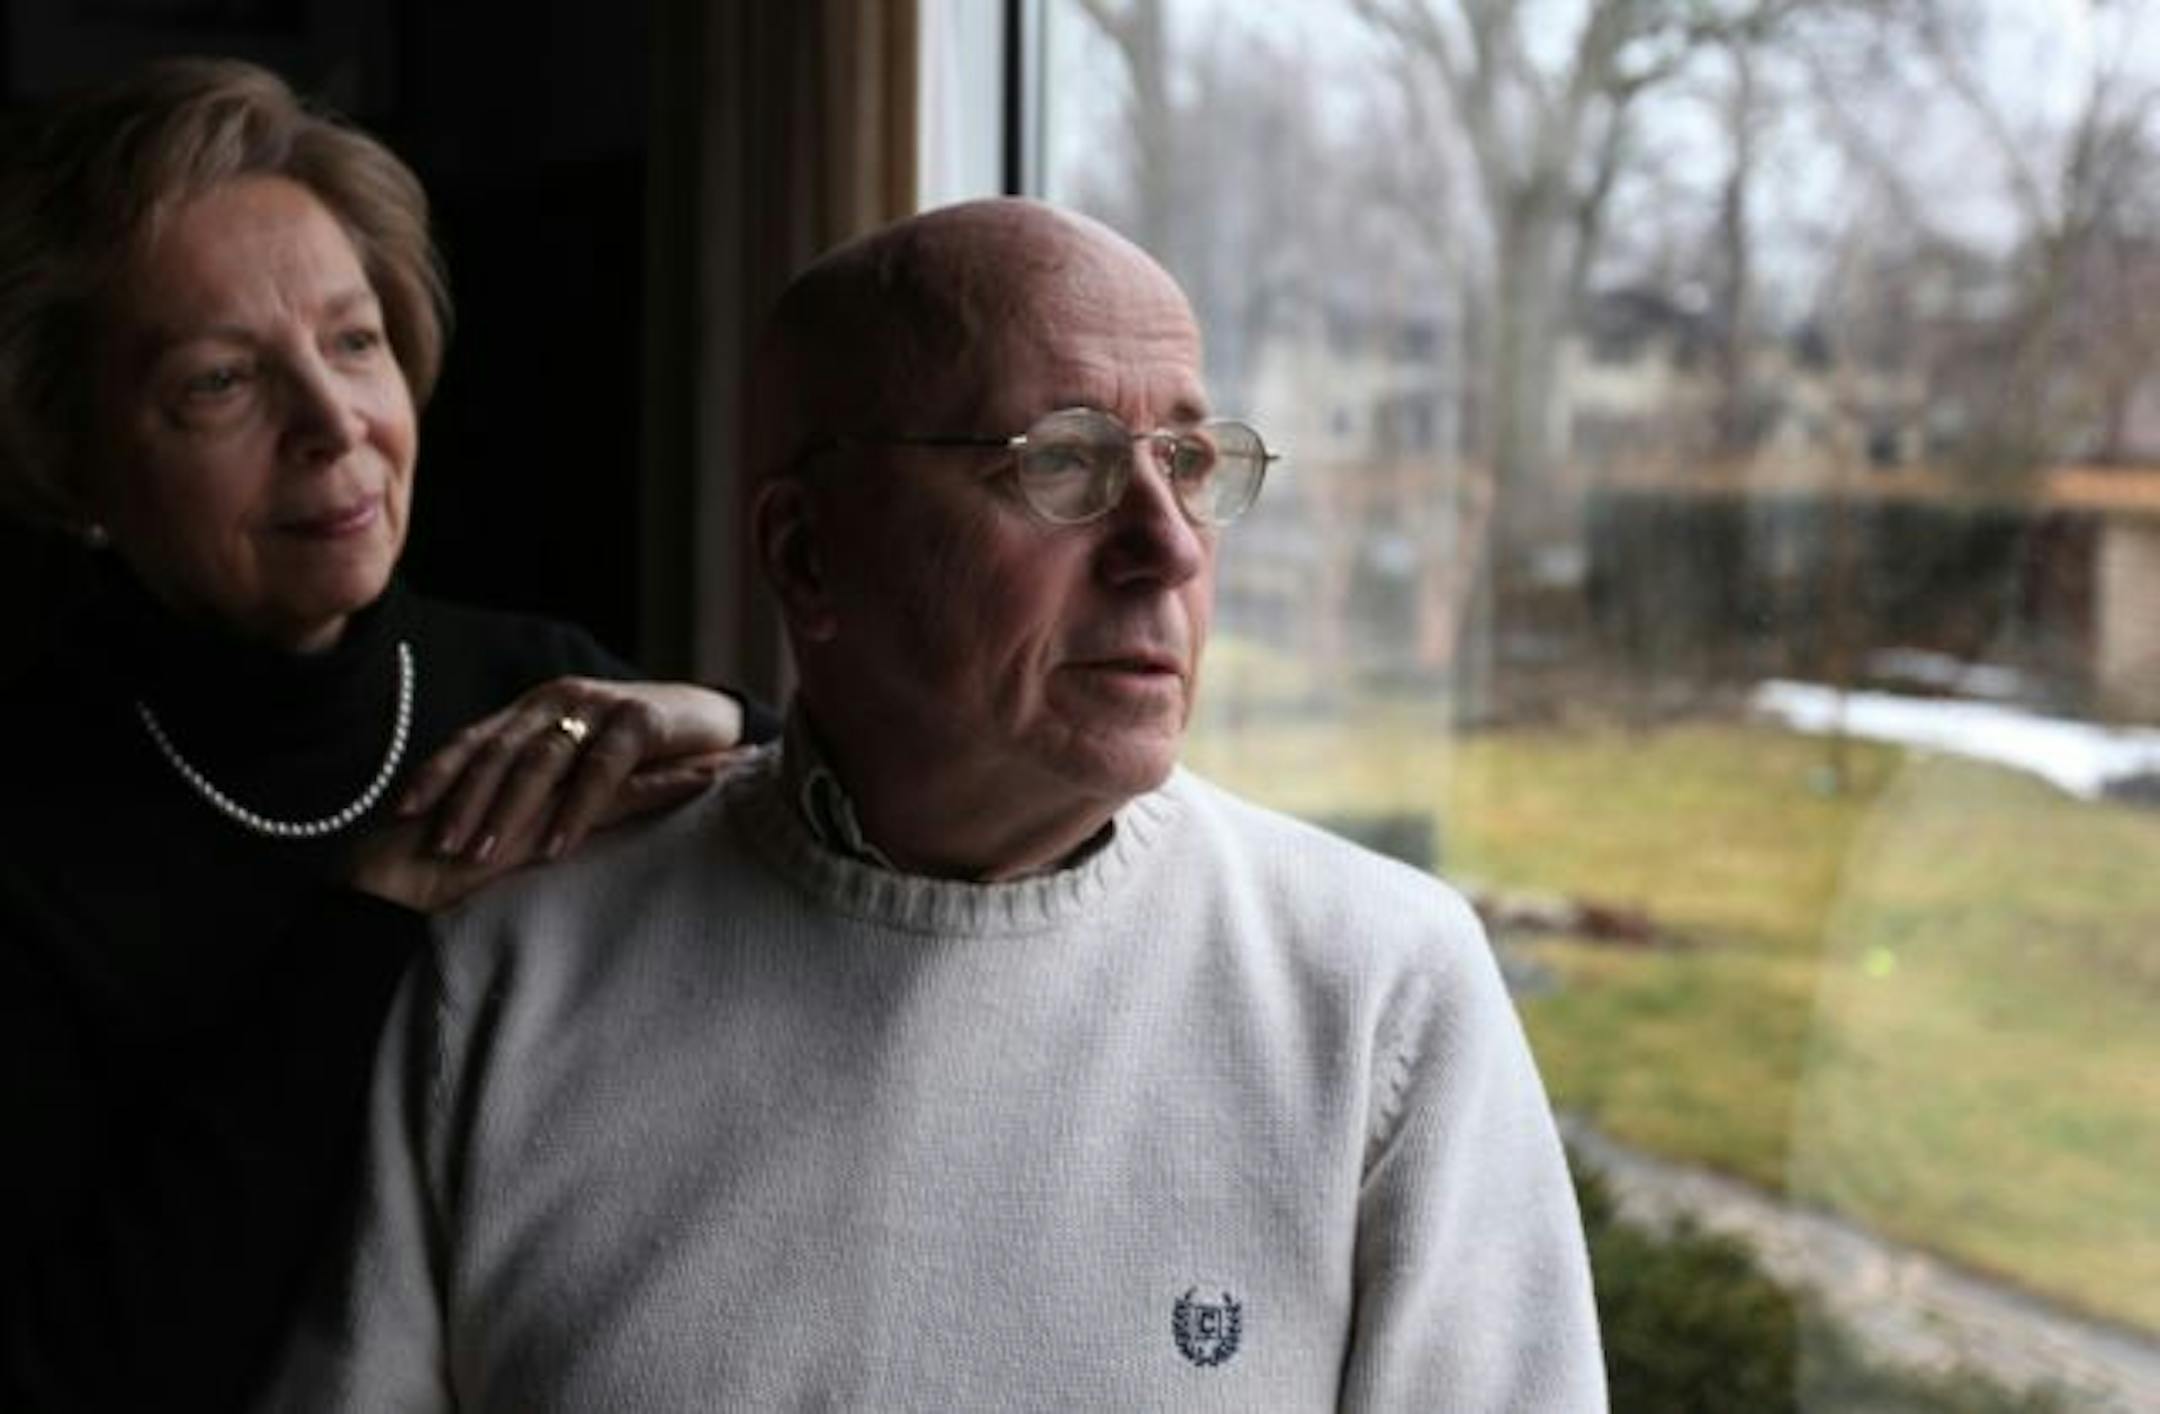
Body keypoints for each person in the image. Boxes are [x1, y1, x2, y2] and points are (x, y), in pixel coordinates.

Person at [268, 199, 1605, 1411]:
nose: (1168, 546)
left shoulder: (1380, 989)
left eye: (1189, 462)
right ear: (808, 555)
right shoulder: (510, 975)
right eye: (1064, 464)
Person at [0, 59, 778, 1412]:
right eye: (221, 382)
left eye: (354, 342)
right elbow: (91, 1366)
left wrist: (727, 722)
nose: (333, 424)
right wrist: (373, 918)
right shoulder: (27, 822)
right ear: (74, 458)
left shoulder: (538, 686)